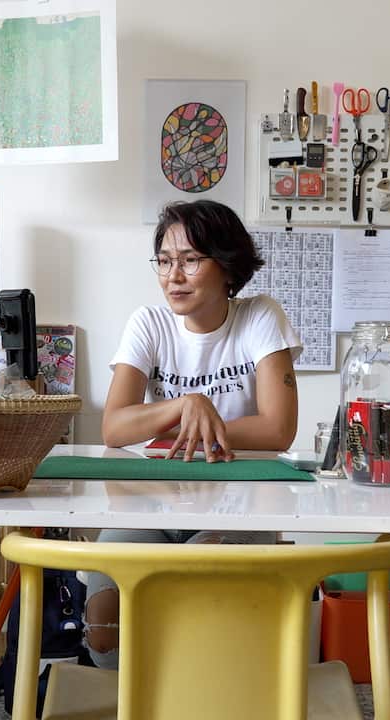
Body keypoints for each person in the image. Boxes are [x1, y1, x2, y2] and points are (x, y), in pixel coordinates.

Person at [84, 200, 302, 669]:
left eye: (189, 260)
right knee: (103, 630)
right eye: (164, 260)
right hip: (148, 504)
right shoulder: (150, 323)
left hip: (237, 508)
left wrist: (188, 426)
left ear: (226, 266)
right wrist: (187, 405)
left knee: (197, 615)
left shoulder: (260, 316)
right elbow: (115, 426)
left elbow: (279, 429)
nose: (172, 275)